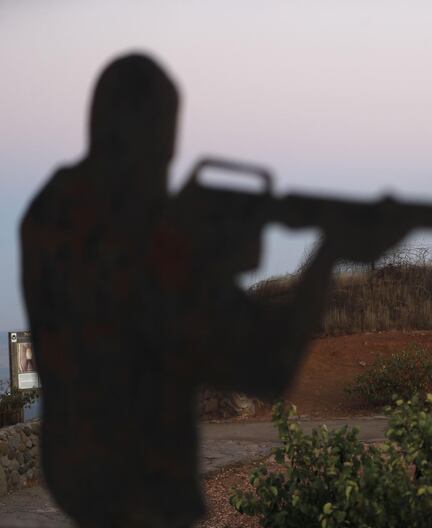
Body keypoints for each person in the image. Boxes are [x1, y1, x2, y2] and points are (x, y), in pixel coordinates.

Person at [20, 53, 408, 528]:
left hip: (79, 473)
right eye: (164, 144)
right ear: (151, 138)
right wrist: (331, 252)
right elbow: (269, 367)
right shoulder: (148, 244)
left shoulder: (51, 212)